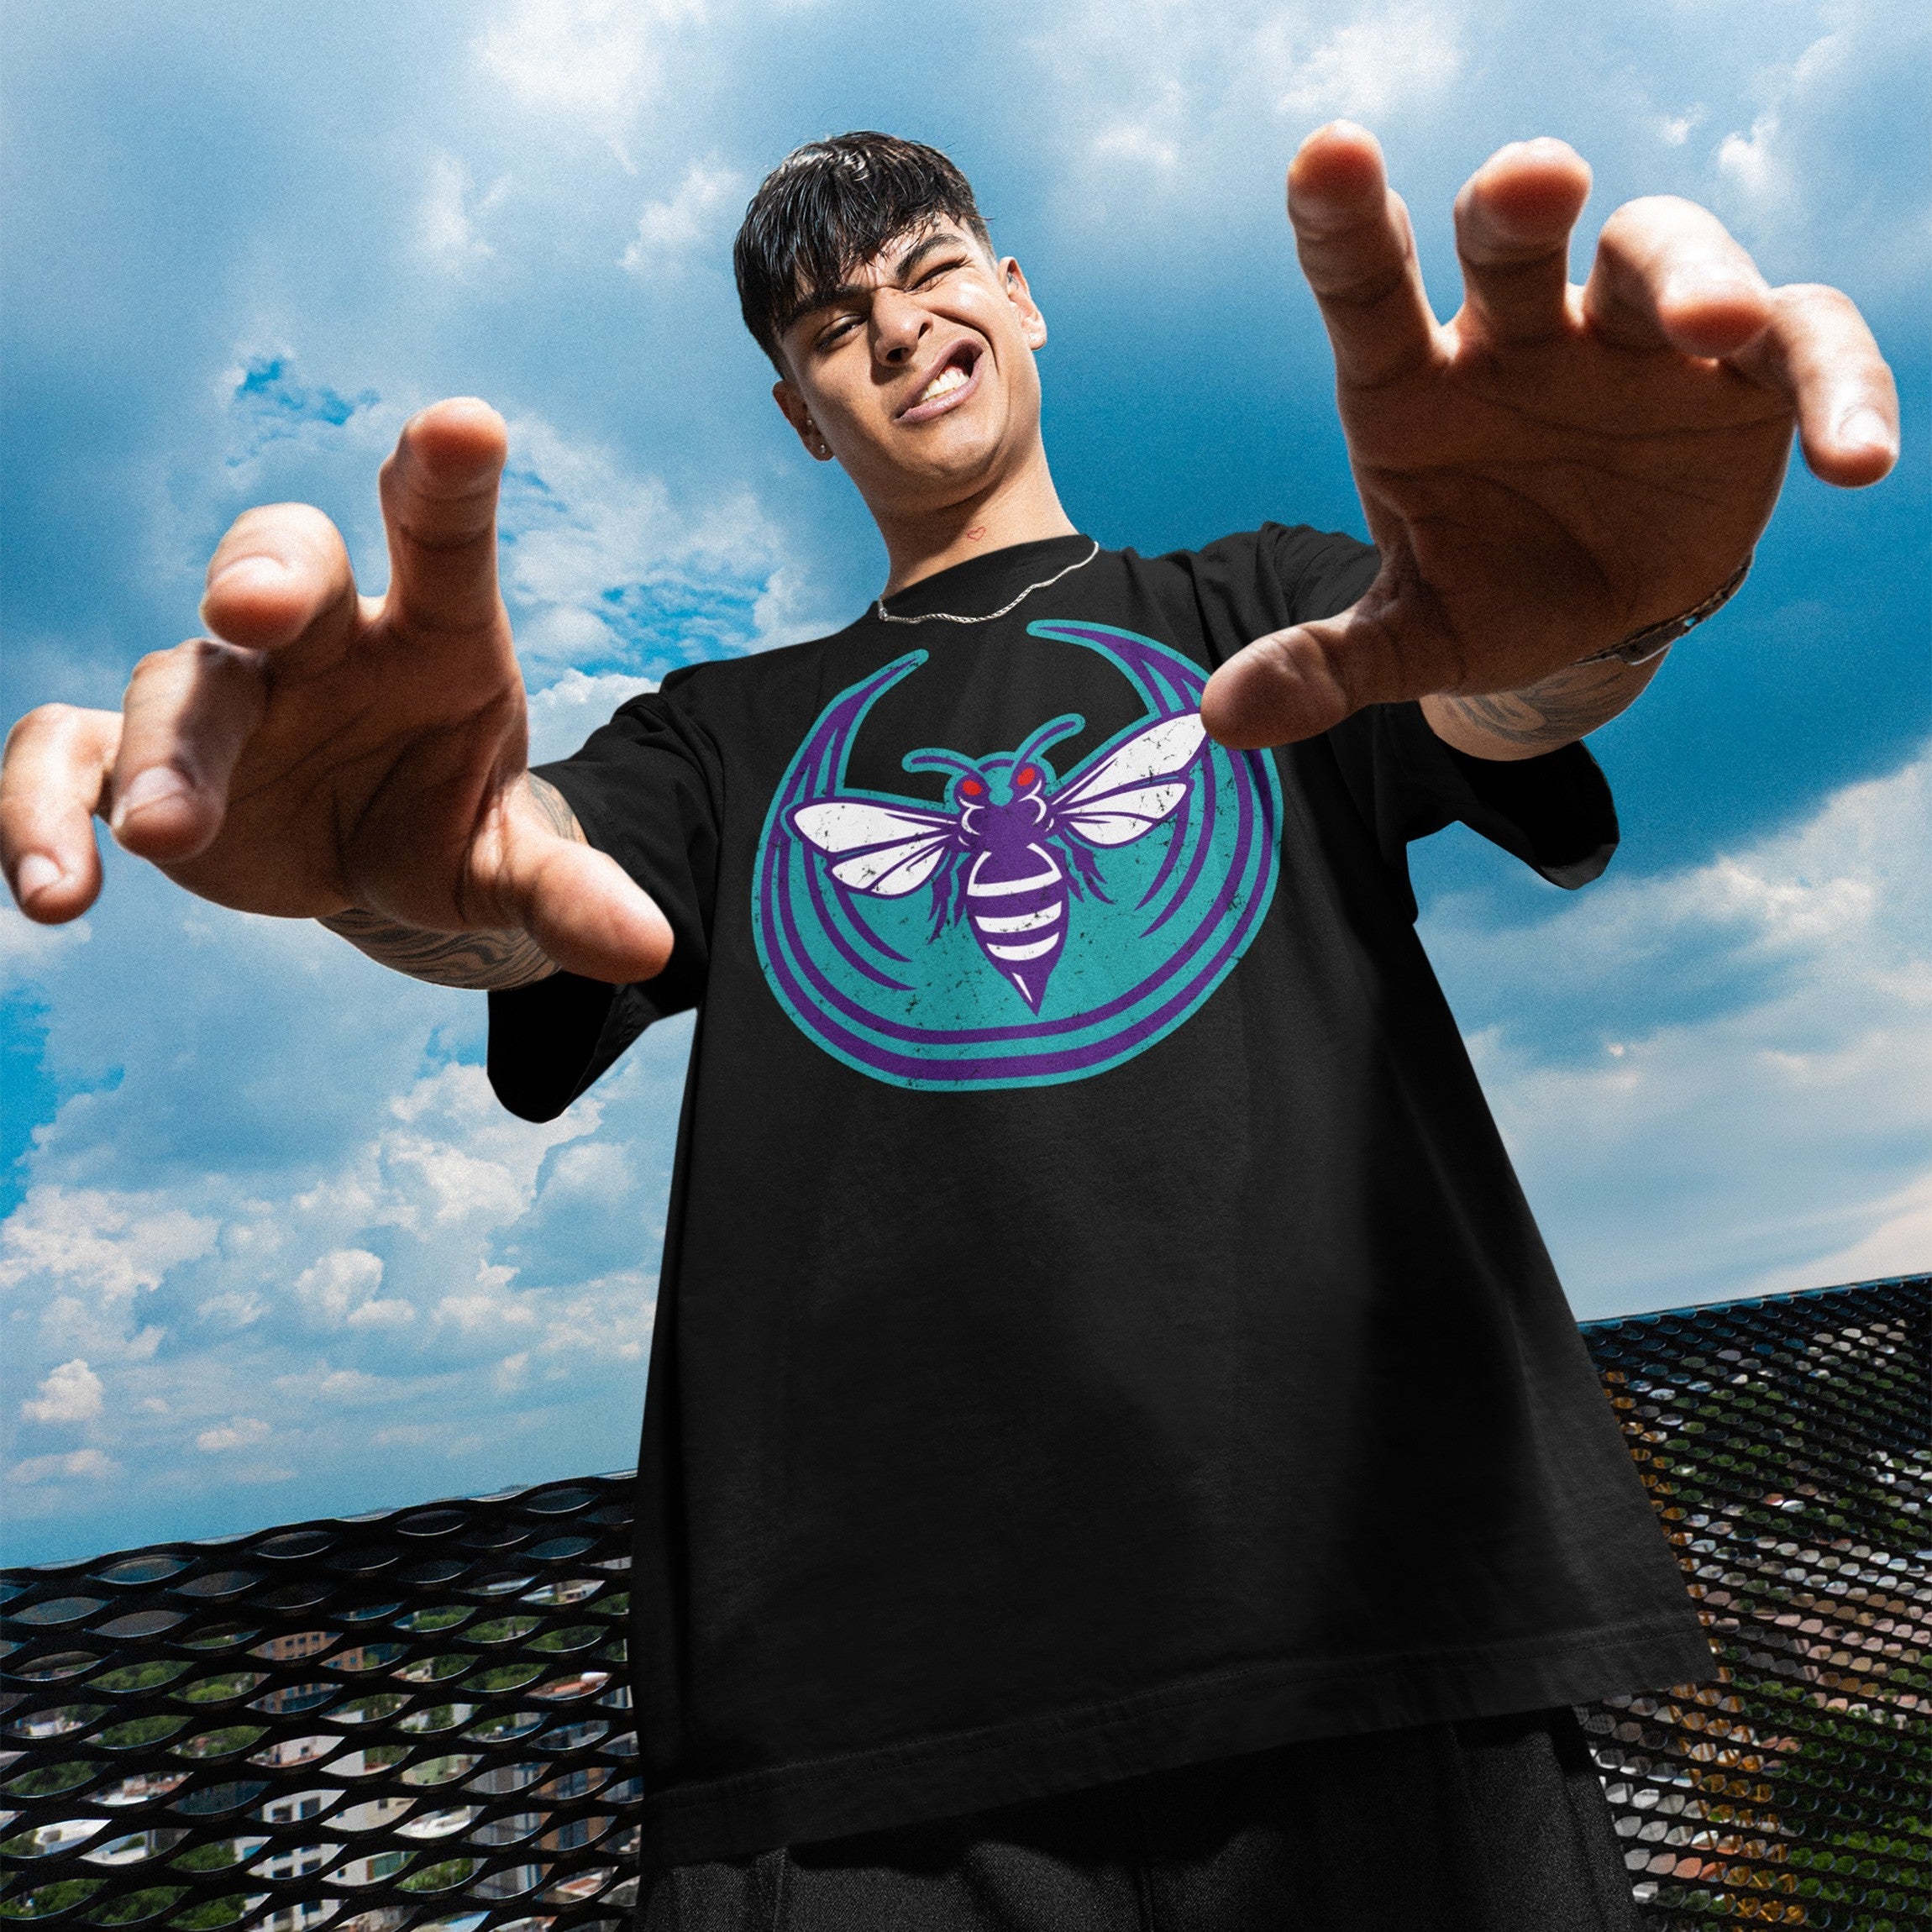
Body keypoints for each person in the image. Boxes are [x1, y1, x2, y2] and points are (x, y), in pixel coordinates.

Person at [0, 124, 1898, 1931]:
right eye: (831, 325)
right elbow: (529, 891)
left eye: (923, 275)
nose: (895, 327)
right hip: (857, 1753)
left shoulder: (1265, 601)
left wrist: (1616, 612)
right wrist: (371, 869)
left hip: (1395, 1638)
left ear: (1021, 291)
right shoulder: (718, 731)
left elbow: (1489, 692)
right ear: (793, 410)